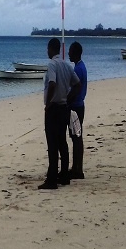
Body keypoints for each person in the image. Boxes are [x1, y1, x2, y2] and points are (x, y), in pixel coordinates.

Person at [39, 38, 82, 190]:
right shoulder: (66, 65)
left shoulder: (52, 64)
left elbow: (52, 83)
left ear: (51, 49)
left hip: (55, 108)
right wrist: (69, 98)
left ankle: (52, 179)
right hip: (64, 107)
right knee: (62, 142)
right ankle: (64, 175)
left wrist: (49, 103)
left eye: (48, 49)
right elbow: (77, 84)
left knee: (52, 143)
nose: (47, 52)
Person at [68, 41, 87, 179]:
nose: (68, 53)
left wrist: (67, 101)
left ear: (75, 53)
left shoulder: (79, 69)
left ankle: (78, 170)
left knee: (76, 137)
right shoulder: (79, 66)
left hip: (76, 106)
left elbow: (77, 87)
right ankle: (76, 167)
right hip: (78, 105)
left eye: (70, 51)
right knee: (76, 137)